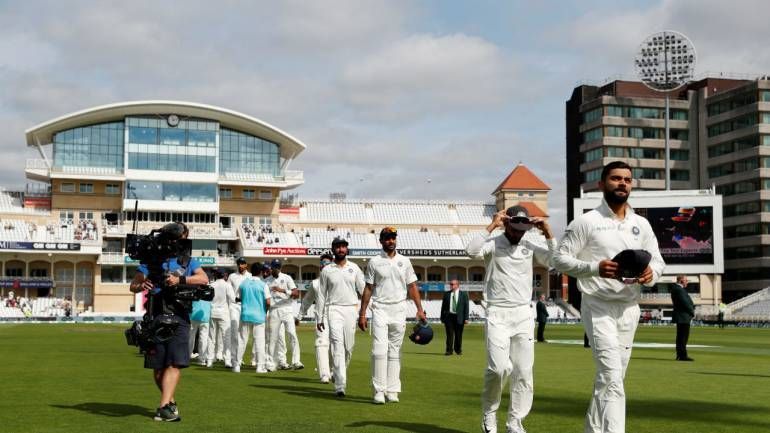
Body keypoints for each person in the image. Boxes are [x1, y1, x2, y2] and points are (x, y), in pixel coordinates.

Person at [553, 161, 665, 433]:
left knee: (611, 379)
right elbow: (558, 259)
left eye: (627, 179)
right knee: (612, 378)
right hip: (598, 306)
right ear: (602, 185)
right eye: (615, 179)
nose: (622, 184)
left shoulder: (642, 224)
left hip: (629, 308)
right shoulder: (586, 222)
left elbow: (659, 262)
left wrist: (652, 274)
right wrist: (595, 268)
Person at [467, 205, 555, 433]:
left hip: (523, 313)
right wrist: (492, 225)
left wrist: (547, 232)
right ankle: (489, 413)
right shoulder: (493, 244)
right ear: (506, 224)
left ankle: (515, 422)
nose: (518, 234)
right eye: (514, 229)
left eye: (522, 229)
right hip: (497, 311)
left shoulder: (529, 244)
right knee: (498, 369)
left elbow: (554, 262)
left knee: (524, 371)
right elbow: (471, 250)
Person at [129, 222, 209, 422]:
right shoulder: (149, 260)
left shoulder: (187, 260)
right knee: (158, 368)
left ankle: (164, 406)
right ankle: (169, 402)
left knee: (174, 363)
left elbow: (203, 278)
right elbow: (134, 285)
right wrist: (141, 285)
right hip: (155, 315)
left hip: (179, 315)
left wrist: (180, 281)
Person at [358, 226, 427, 404]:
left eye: (393, 238)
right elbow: (368, 288)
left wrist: (419, 309)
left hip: (399, 309)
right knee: (379, 350)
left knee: (395, 351)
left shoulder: (405, 261)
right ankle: (378, 390)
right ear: (381, 241)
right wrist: (363, 313)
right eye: (387, 238)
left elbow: (412, 286)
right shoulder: (374, 262)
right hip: (380, 308)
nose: (391, 241)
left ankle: (392, 390)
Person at [317, 238, 365, 397]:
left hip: (351, 309)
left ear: (347, 249)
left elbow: (363, 290)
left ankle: (337, 371)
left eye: (343, 247)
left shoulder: (355, 268)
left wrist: (366, 312)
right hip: (334, 309)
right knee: (337, 344)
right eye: (337, 247)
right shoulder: (327, 270)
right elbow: (322, 295)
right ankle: (340, 385)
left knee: (348, 347)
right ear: (333, 250)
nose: (341, 249)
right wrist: (319, 318)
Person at [298, 254, 334, 383]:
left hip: (337, 316)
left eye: (327, 263)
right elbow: (307, 300)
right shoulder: (315, 283)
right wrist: (300, 315)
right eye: (323, 264)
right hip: (322, 318)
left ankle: (334, 370)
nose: (324, 266)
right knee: (321, 343)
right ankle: (324, 374)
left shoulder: (339, 280)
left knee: (337, 345)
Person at [265, 259, 303, 370]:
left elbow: (296, 293)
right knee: (273, 337)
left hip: (286, 308)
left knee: (292, 334)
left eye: (278, 267)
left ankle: (296, 361)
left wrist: (282, 290)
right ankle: (270, 363)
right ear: (271, 268)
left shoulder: (287, 278)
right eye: (274, 267)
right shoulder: (266, 281)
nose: (276, 269)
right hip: (274, 310)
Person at [234, 263, 272, 373]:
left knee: (242, 340)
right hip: (259, 316)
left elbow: (238, 298)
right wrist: (265, 310)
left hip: (245, 314)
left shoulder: (243, 284)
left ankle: (237, 365)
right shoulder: (263, 285)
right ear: (261, 272)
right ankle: (260, 367)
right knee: (259, 341)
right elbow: (268, 301)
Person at [227, 257, 251, 368]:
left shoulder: (250, 276)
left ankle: (239, 358)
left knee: (244, 334)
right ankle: (233, 359)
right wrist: (235, 299)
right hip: (234, 306)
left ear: (246, 265)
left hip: (246, 306)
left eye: (242, 264)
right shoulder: (232, 276)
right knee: (234, 332)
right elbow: (228, 290)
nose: (240, 266)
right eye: (239, 264)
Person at [208, 269, 235, 367]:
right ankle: (227, 360)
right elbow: (233, 299)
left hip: (212, 311)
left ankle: (210, 360)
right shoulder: (227, 285)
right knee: (226, 336)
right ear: (224, 275)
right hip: (223, 313)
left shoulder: (211, 285)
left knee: (211, 337)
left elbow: (208, 299)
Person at [440, 279, 469, 355]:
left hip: (459, 317)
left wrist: (466, 318)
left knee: (458, 335)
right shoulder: (446, 294)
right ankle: (449, 350)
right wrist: (442, 317)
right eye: (451, 284)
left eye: (453, 284)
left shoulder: (464, 294)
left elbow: (466, 307)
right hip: (449, 317)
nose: (451, 285)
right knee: (449, 334)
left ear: (457, 285)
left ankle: (458, 350)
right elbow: (443, 307)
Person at [670, 275, 694, 362]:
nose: (687, 282)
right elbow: (685, 303)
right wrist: (692, 311)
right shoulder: (679, 290)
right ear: (681, 281)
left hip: (682, 315)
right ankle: (682, 355)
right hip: (683, 316)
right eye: (686, 280)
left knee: (681, 336)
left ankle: (680, 354)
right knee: (683, 337)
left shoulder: (677, 289)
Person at [189, 297, 211, 366]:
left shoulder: (195, 288)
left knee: (190, 337)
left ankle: (187, 356)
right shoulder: (209, 290)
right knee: (203, 338)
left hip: (193, 314)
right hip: (205, 315)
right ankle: (202, 359)